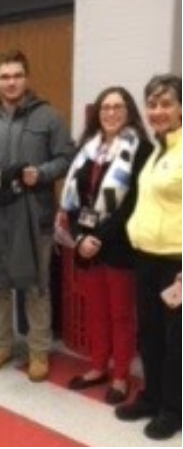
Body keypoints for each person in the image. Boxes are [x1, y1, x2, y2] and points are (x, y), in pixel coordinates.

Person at [0, 49, 73, 381]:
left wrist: (42, 173)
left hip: (35, 216)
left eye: (16, 75)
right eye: (4, 76)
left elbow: (66, 158)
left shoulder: (49, 117)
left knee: (36, 286)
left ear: (26, 78)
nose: (11, 82)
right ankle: (1, 346)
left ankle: (38, 351)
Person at [58, 86, 152, 404]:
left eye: (118, 107)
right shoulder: (88, 150)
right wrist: (81, 236)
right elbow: (73, 200)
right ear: (98, 113)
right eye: (105, 107)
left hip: (119, 245)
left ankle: (121, 375)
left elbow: (134, 204)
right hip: (87, 243)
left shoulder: (141, 149)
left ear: (128, 112)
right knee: (96, 310)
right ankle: (98, 366)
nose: (111, 112)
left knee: (121, 314)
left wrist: (99, 236)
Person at [115, 74, 182, 440]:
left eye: (166, 103)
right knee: (150, 333)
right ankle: (152, 396)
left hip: (176, 262)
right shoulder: (157, 148)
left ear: (181, 108)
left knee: (177, 341)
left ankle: (174, 409)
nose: (158, 111)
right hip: (146, 257)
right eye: (152, 104)